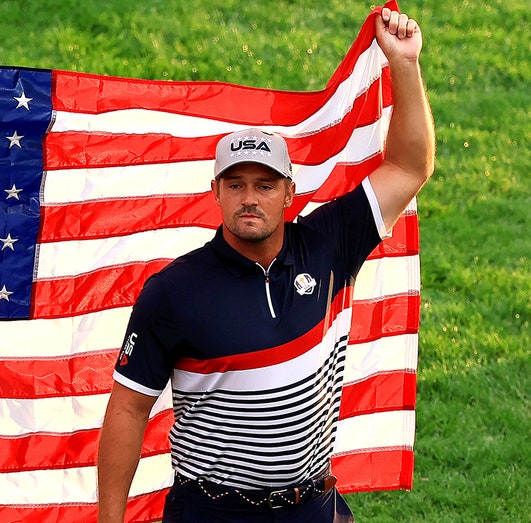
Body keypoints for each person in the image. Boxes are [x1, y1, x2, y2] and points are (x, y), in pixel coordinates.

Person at [97, 7, 434, 523]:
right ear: (216, 192)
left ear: (289, 193)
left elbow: (409, 167)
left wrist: (404, 64)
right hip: (212, 512)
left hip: (313, 507)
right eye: (236, 185)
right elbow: (128, 408)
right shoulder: (173, 291)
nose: (249, 198)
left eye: (265, 185)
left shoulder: (328, 243)